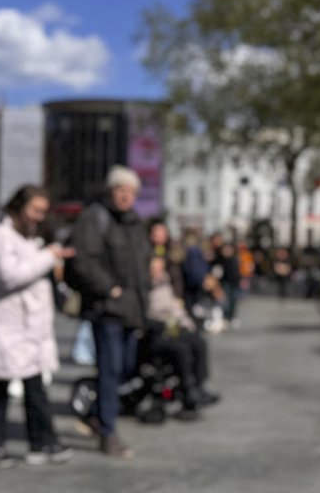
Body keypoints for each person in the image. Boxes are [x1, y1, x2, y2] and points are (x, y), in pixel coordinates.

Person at [0, 186, 76, 467]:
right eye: (35, 210)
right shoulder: (0, 235)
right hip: (6, 327)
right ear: (19, 206)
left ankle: (41, 442)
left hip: (26, 328)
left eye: (42, 211)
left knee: (34, 386)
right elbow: (9, 275)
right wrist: (48, 256)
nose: (39, 217)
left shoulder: (25, 236)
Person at [66, 165, 151, 459]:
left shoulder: (134, 223)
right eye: (121, 190)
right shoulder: (95, 218)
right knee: (110, 368)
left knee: (126, 367)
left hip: (131, 309)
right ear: (111, 190)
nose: (126, 196)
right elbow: (84, 261)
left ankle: (96, 414)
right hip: (108, 308)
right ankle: (107, 431)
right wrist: (109, 288)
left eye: (132, 192)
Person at [145, 257, 220, 419]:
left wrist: (187, 324)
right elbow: (149, 311)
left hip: (174, 327)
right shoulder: (144, 286)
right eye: (154, 268)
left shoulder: (165, 285)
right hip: (156, 331)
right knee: (181, 349)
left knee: (199, 343)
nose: (157, 271)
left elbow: (175, 308)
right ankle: (187, 389)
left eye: (160, 267)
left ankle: (199, 385)